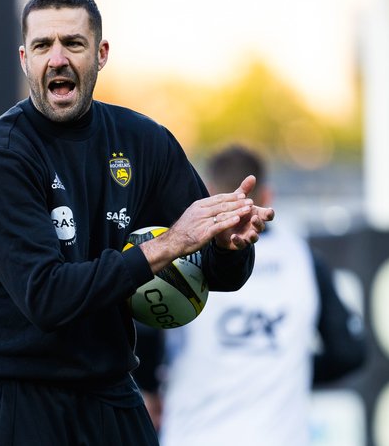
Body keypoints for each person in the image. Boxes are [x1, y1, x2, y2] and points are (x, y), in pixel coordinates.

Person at [0, 0, 275, 445]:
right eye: (42, 46)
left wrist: (227, 246)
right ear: (25, 59)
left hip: (109, 391)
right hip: (16, 398)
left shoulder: (144, 141)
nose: (57, 59)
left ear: (100, 54)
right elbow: (46, 297)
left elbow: (218, 272)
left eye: (73, 44)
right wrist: (169, 245)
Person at [146, 144, 365, 446]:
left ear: (208, 193)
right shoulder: (303, 259)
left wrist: (150, 388)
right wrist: (290, 367)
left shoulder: (183, 254)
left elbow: (145, 333)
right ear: (268, 198)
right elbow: (348, 352)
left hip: (192, 435)